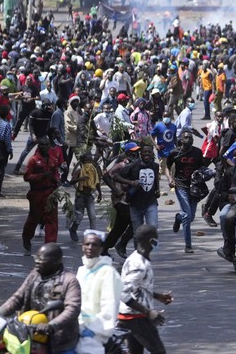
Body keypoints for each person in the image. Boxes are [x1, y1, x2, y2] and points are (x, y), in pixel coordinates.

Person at [0, 243, 82, 354]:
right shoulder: (35, 275)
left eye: (42, 259)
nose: (37, 261)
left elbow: (72, 309)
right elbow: (17, 297)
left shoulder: (69, 280)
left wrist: (51, 325)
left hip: (58, 342)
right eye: (37, 257)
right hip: (29, 334)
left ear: (55, 261)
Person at [118, 225, 173, 354]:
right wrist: (148, 312)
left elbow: (136, 288)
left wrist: (157, 296)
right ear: (151, 241)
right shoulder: (140, 265)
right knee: (158, 351)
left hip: (131, 316)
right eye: (157, 238)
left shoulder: (134, 258)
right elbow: (124, 293)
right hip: (135, 318)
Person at [76, 230, 122, 354]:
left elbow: (109, 308)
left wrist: (92, 331)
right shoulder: (82, 271)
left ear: (101, 248)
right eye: (87, 244)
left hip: (96, 336)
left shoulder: (108, 272)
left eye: (94, 245)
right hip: (76, 331)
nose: (90, 247)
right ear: (82, 246)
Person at [164, 129, 207, 253]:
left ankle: (178, 218)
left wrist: (208, 173)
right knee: (187, 215)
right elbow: (167, 166)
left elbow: (202, 166)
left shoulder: (197, 152)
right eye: (186, 137)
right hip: (180, 185)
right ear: (181, 140)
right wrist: (170, 178)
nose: (188, 140)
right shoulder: (174, 152)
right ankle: (188, 245)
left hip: (194, 187)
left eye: (190, 138)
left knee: (190, 217)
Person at [23, 136, 64, 251]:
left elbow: (56, 174)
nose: (45, 147)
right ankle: (26, 237)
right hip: (37, 194)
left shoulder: (53, 160)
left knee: (51, 220)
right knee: (33, 219)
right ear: (39, 146)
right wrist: (41, 176)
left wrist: (57, 180)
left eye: (47, 145)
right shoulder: (33, 160)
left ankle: (50, 247)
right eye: (43, 145)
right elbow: (26, 176)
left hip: (50, 194)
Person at [114, 145, 161, 229]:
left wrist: (157, 189)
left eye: (149, 152)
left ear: (152, 153)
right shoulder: (133, 165)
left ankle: (151, 242)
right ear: (141, 154)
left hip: (151, 202)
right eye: (144, 152)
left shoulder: (155, 166)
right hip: (135, 204)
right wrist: (131, 182)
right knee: (137, 233)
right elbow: (116, 176)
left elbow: (156, 177)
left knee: (153, 228)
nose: (147, 154)